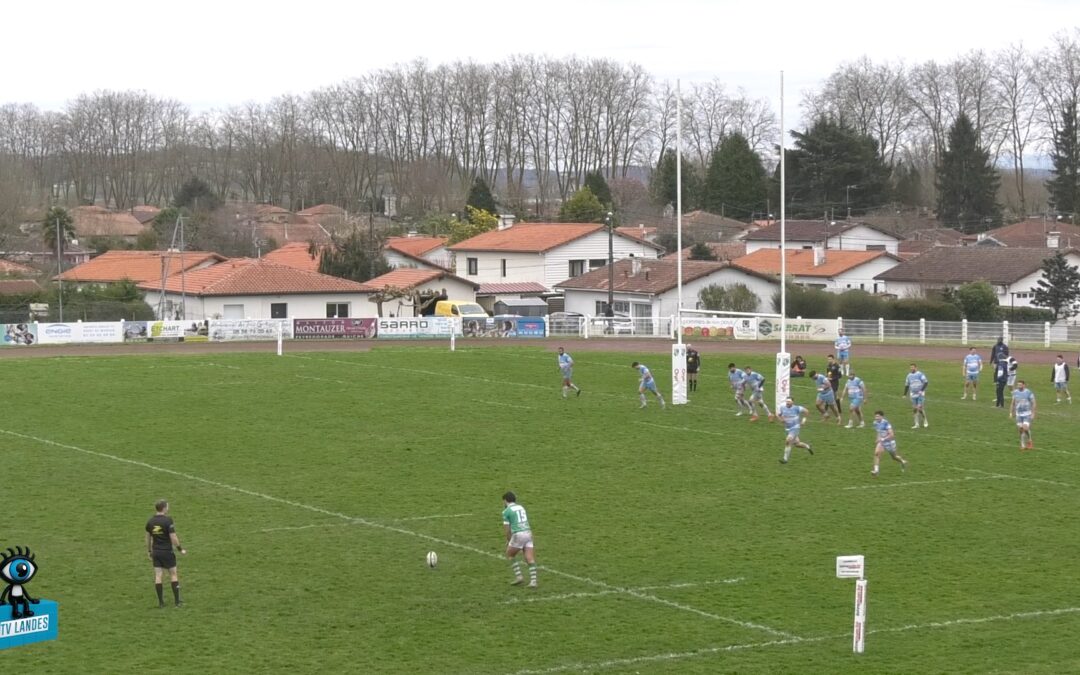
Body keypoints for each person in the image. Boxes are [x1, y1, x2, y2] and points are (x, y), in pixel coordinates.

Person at [146, 499, 186, 608]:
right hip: (167, 552)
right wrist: (180, 549)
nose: (168, 508)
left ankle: (161, 603)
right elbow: (173, 537)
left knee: (158, 576)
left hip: (156, 552)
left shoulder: (150, 522)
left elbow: (148, 538)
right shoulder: (168, 521)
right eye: (167, 506)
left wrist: (149, 551)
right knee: (173, 574)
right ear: (163, 508)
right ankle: (177, 602)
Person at [501, 491, 537, 588]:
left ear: (505, 500)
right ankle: (533, 581)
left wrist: (508, 540)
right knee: (529, 557)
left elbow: (507, 530)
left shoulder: (506, 511)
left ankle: (519, 576)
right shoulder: (521, 507)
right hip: (528, 532)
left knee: (510, 554)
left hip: (518, 534)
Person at [871, 411, 908, 477]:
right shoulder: (875, 423)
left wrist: (883, 439)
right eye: (875, 416)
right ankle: (876, 471)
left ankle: (902, 461)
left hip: (890, 442)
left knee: (894, 457)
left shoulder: (886, 423)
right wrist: (878, 439)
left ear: (882, 417)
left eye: (878, 416)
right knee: (876, 454)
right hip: (881, 442)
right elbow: (878, 432)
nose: (876, 418)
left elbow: (892, 435)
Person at [777, 397, 813, 464]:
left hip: (795, 427)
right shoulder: (783, 408)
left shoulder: (797, 408)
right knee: (797, 444)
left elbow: (807, 411)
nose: (787, 402)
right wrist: (781, 419)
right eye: (787, 401)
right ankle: (808, 446)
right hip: (787, 428)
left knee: (788, 440)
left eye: (789, 401)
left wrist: (804, 420)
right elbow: (779, 415)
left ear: (792, 402)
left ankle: (785, 459)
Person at [1010, 380, 1037, 451]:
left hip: (1027, 414)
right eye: (1018, 385)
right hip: (1018, 414)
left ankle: (1030, 441)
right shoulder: (1015, 392)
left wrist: (1033, 413)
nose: (1019, 386)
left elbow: (1033, 403)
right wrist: (1011, 412)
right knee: (1021, 429)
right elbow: (1012, 403)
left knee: (1025, 428)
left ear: (1024, 385)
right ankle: (1023, 445)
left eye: (1020, 385)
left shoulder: (1028, 392)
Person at [903, 363, 929, 428]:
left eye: (913, 367)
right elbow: (907, 385)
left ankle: (925, 420)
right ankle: (916, 424)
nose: (912, 368)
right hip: (913, 394)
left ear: (916, 368)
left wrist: (921, 390)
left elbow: (926, 382)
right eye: (911, 367)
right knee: (914, 409)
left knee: (919, 408)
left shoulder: (920, 374)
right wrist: (904, 394)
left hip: (920, 394)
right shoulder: (908, 376)